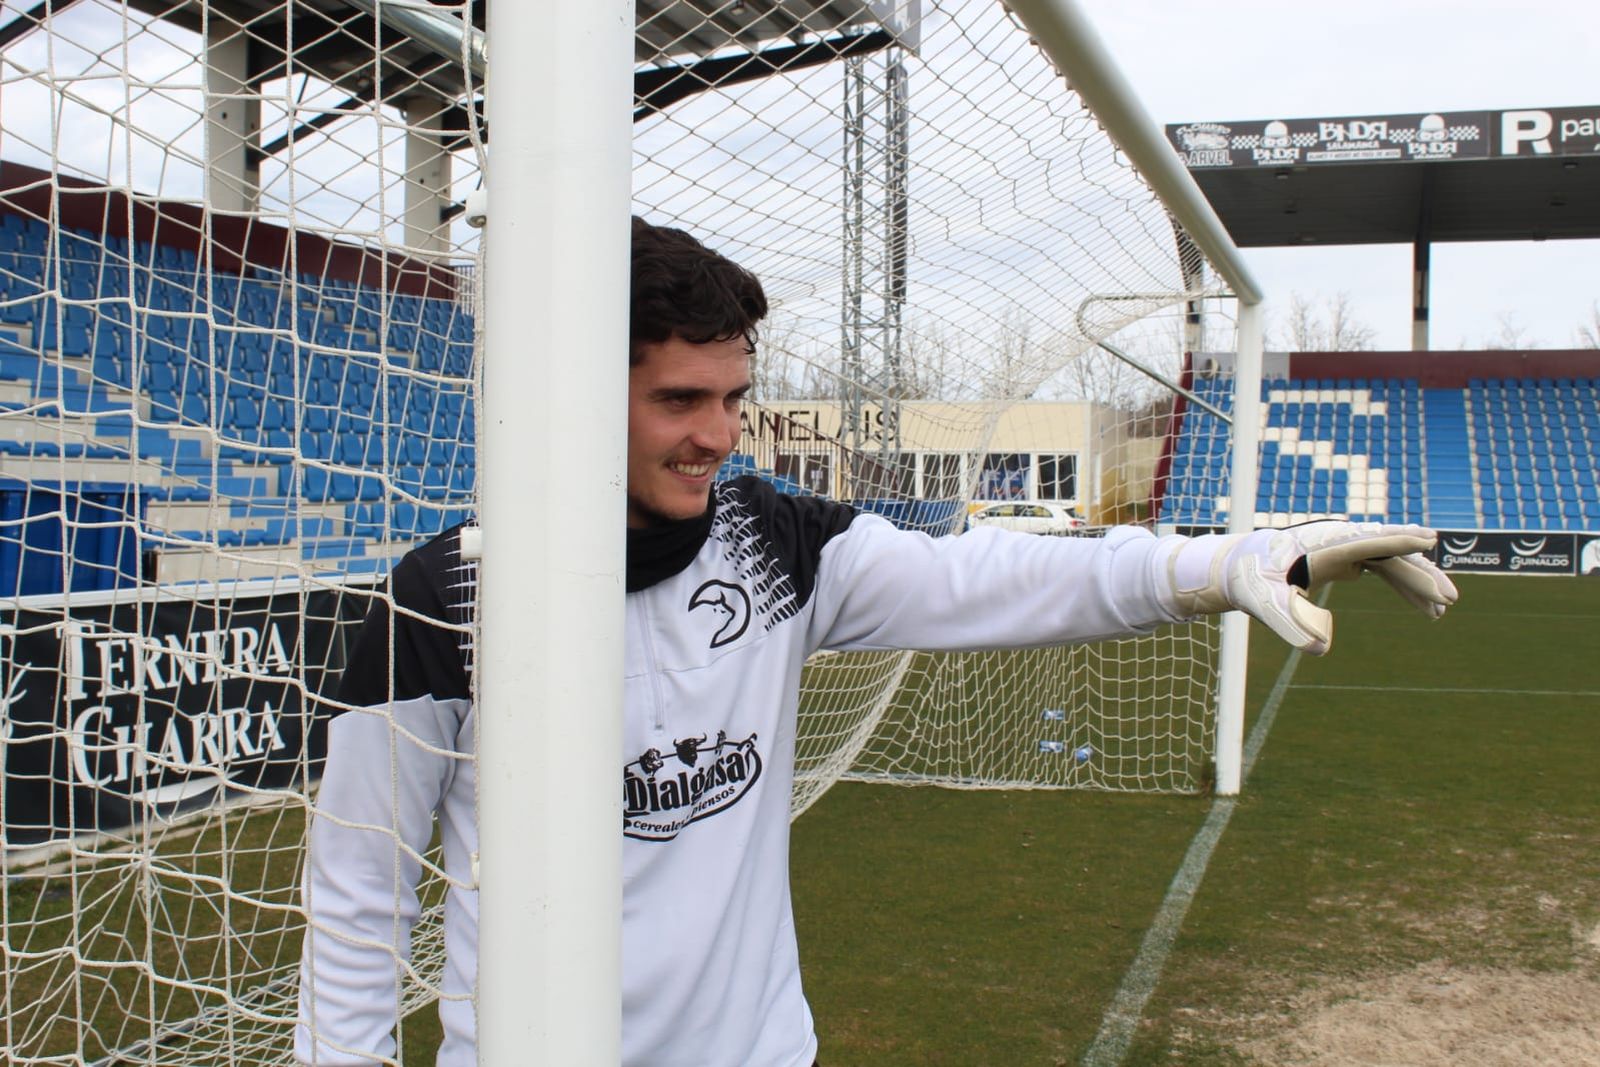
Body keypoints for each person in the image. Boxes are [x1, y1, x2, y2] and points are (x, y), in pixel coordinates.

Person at [296, 217, 1458, 1066]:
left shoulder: (774, 545)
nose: (719, 433)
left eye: (733, 397)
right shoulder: (448, 597)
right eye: (681, 400)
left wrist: (1228, 562)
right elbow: (358, 894)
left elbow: (990, 573)